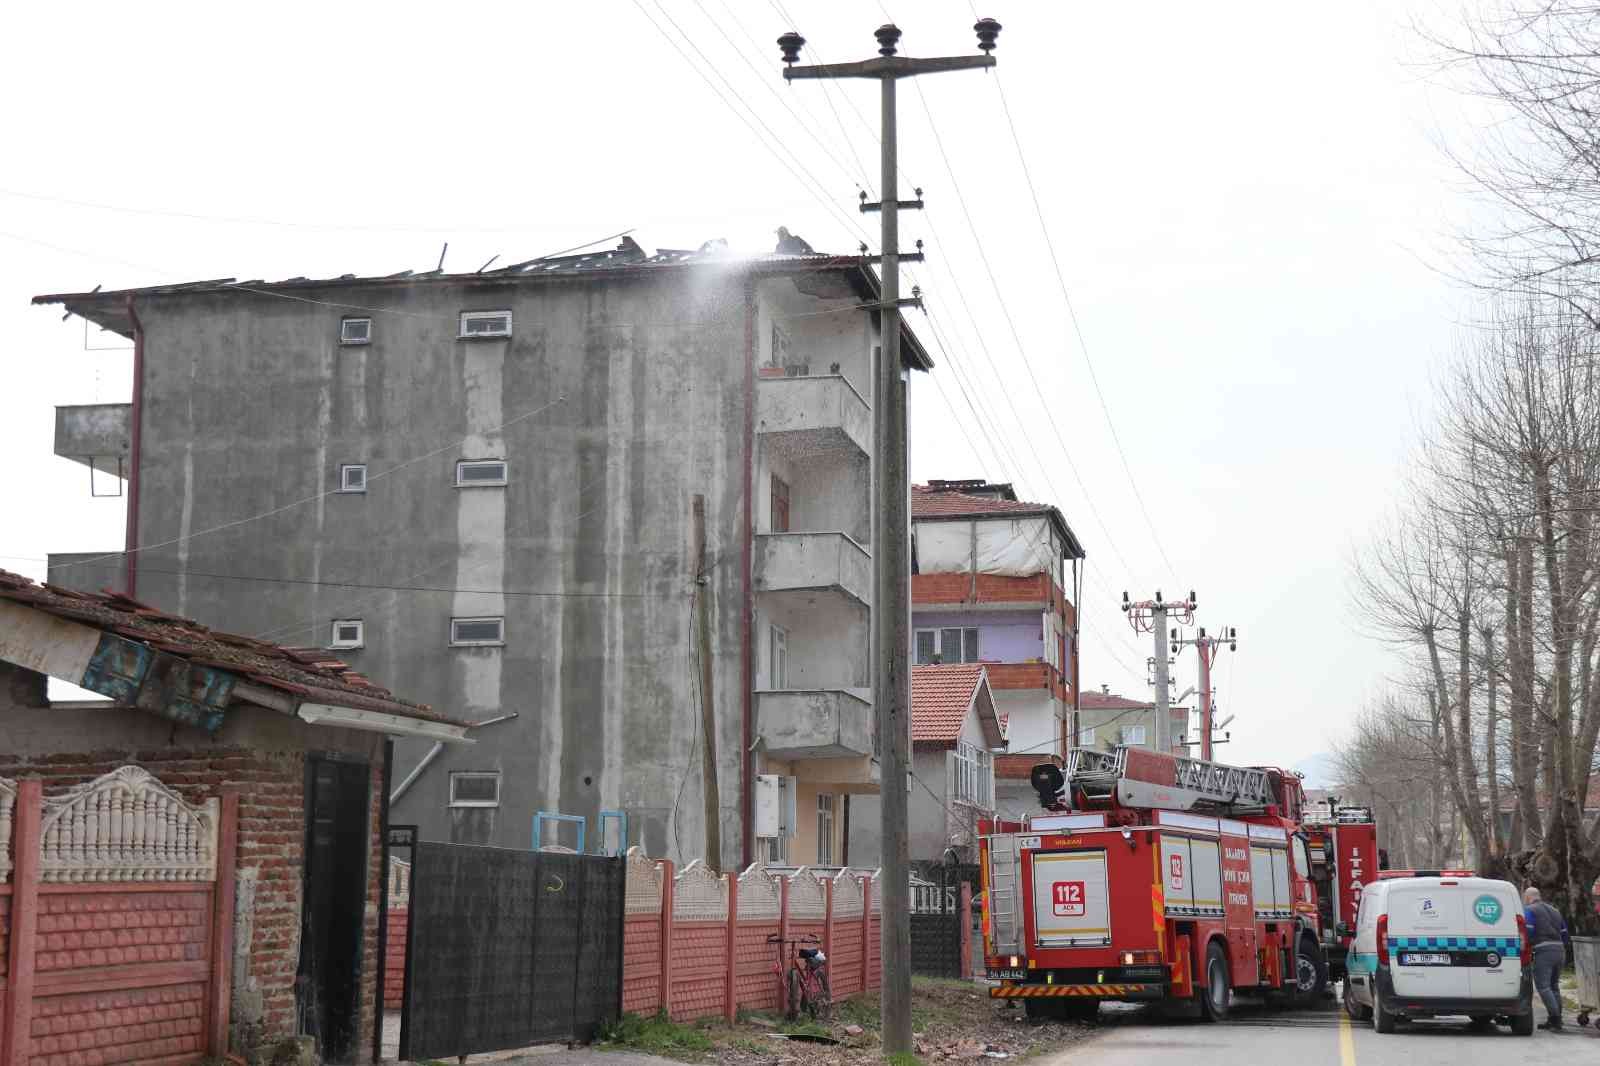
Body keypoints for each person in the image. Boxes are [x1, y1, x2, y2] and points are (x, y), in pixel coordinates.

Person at [1524, 886, 1570, 1031]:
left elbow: (1529, 931)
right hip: (1560, 950)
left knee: (1543, 987)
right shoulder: (1555, 911)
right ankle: (1555, 1019)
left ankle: (1555, 1019)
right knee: (1554, 986)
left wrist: (1528, 946)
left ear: (1528, 897)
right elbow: (1564, 933)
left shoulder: (1530, 910)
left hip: (1543, 950)